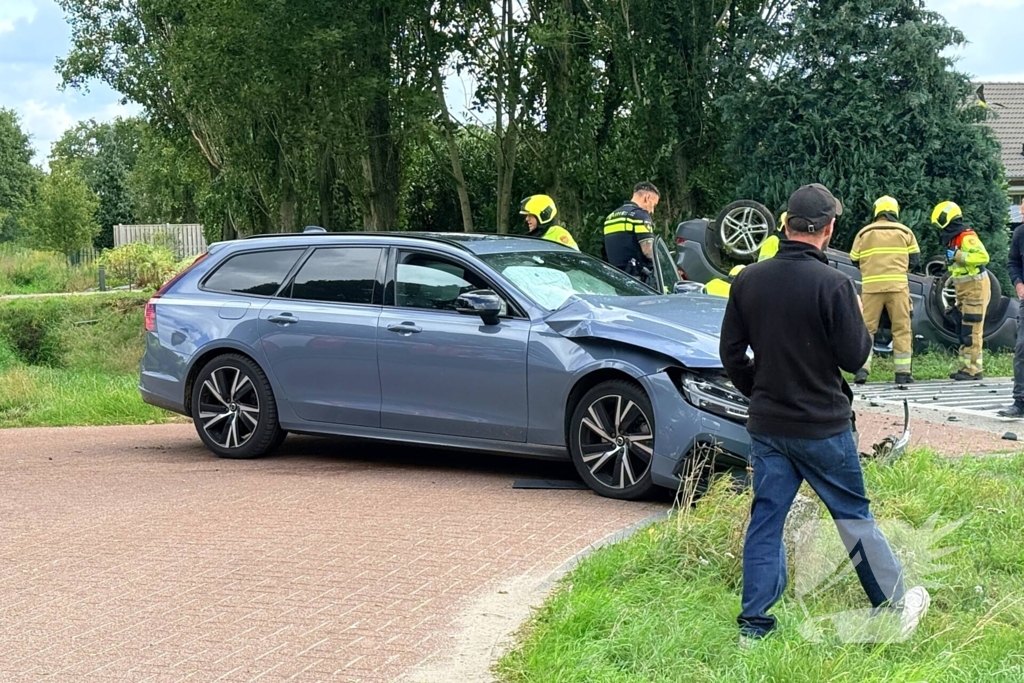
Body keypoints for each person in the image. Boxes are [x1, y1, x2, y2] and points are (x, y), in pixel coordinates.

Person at [720, 183, 930, 645]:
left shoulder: (748, 280)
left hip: (769, 426)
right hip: (823, 428)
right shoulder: (834, 284)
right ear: (830, 229)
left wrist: (761, 393)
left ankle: (754, 629)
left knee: (766, 520)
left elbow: (731, 354)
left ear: (786, 224)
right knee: (852, 515)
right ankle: (894, 606)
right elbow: (856, 358)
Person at [849, 196, 921, 386]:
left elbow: (854, 258)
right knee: (901, 329)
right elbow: (915, 260)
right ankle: (903, 373)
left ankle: (862, 369)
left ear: (876, 211)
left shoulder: (864, 233)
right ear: (895, 211)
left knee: (866, 330)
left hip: (871, 288)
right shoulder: (905, 232)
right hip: (897, 288)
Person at [933, 201, 990, 381]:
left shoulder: (966, 236)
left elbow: (983, 257)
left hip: (975, 287)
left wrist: (958, 256)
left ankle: (973, 370)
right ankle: (965, 368)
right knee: (962, 328)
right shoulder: (954, 237)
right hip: (964, 288)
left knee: (971, 330)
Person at [998, 199, 1024, 417]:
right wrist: (1018, 283)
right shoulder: (1020, 235)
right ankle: (1020, 401)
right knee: (1022, 349)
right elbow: (1013, 262)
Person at [603, 182, 660, 278]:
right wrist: (664, 263)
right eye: (653, 205)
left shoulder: (610, 217)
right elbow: (648, 250)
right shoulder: (640, 215)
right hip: (637, 278)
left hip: (616, 278)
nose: (652, 211)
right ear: (647, 197)